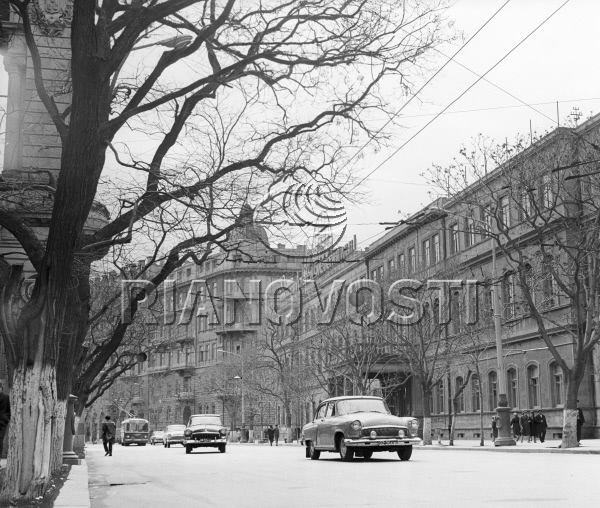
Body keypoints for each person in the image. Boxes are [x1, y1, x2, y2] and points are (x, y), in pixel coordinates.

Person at [0, 383, 10, 463]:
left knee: (0, 442)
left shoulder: (6, 397)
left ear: (1, 388)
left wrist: (6, 419)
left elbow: (9, 410)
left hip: (2, 424)